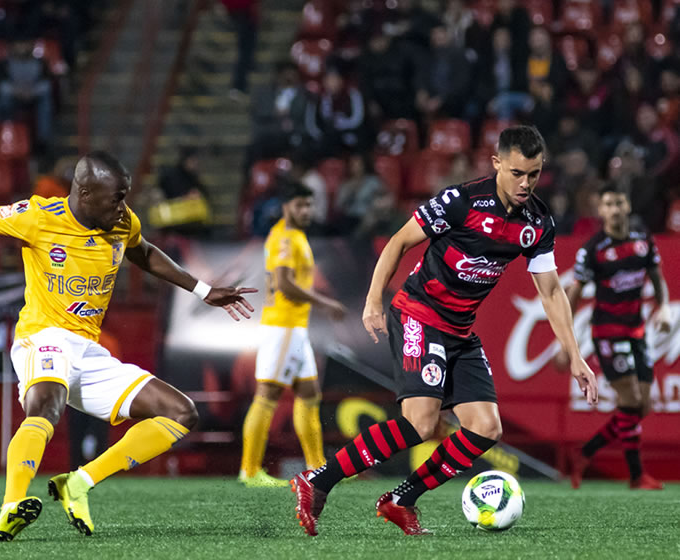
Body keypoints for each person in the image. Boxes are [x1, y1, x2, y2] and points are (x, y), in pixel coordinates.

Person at [0, 152, 256, 540]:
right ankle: (12, 504)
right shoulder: (38, 216)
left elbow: (143, 252)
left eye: (125, 198)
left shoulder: (121, 221)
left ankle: (78, 482)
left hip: (88, 350)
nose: (123, 206)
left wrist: (203, 290)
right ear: (85, 193)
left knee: (181, 413)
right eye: (116, 198)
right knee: (47, 407)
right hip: (42, 336)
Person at [290, 125, 598, 536]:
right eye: (517, 173)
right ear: (497, 164)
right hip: (419, 313)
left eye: (534, 174)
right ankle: (318, 480)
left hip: (459, 331)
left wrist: (575, 355)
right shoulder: (462, 201)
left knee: (486, 428)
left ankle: (401, 500)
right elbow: (399, 242)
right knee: (420, 422)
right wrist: (372, 301)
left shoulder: (538, 222)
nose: (526, 184)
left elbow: (552, 291)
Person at [563, 183, 671, 490]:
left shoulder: (643, 241)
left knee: (643, 406)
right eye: (608, 204)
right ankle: (637, 476)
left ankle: (585, 452)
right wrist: (566, 340)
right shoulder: (593, 249)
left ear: (627, 207)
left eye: (618, 203)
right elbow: (574, 292)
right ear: (601, 210)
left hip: (636, 331)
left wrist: (663, 307)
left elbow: (657, 278)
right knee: (631, 400)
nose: (614, 209)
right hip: (608, 333)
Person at [239, 181, 346, 488]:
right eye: (300, 205)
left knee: (310, 394)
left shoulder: (295, 236)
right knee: (267, 396)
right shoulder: (284, 238)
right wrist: (325, 303)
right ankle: (249, 470)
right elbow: (284, 284)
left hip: (294, 329)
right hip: (282, 327)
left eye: (309, 205)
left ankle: (317, 468)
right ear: (286, 206)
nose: (307, 210)